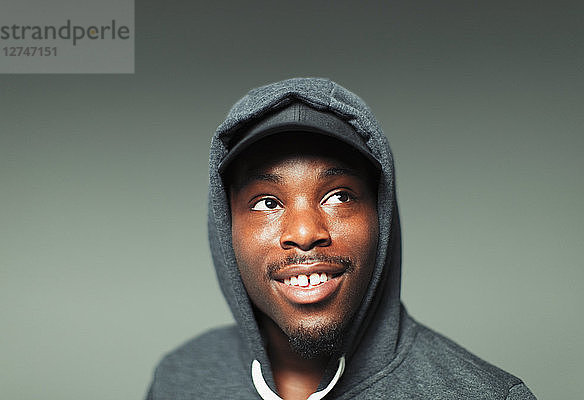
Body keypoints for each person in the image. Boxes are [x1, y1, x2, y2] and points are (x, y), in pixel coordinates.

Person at [146, 78, 536, 399]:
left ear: (380, 216)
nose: (304, 233)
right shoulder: (179, 381)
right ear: (225, 223)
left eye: (339, 196)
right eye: (267, 202)